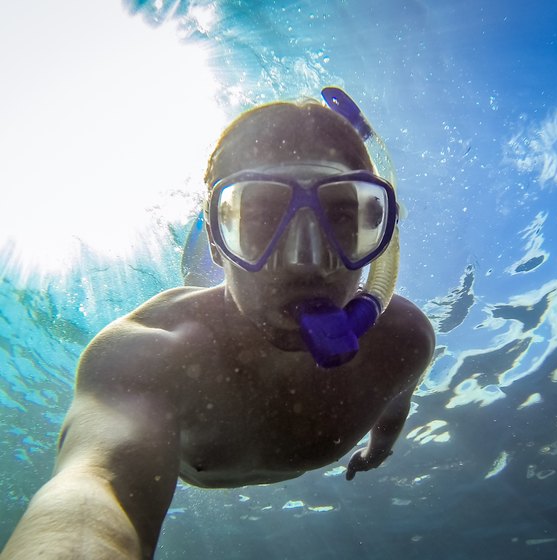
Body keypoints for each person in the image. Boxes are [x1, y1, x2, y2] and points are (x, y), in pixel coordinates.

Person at [1, 88, 434, 560]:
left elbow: (394, 408)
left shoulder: (404, 340)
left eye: (344, 216)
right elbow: (92, 493)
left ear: (380, 234)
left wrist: (379, 451)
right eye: (262, 217)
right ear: (216, 239)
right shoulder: (152, 353)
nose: (308, 263)